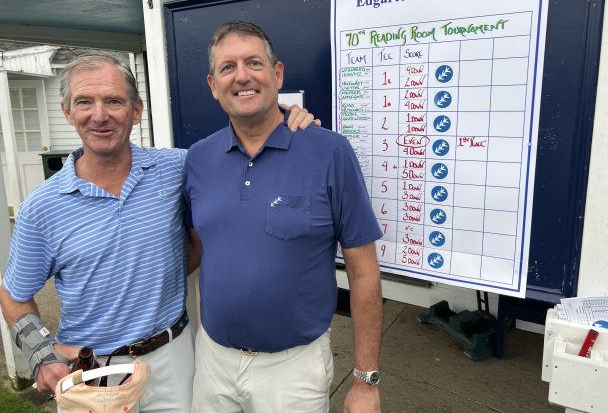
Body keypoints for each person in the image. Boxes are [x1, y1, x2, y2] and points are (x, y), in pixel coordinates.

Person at [0, 51, 316, 412]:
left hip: (173, 357)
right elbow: (13, 294)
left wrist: (284, 119)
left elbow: (247, 152)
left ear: (136, 110)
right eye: (85, 102)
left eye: (114, 101)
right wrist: (42, 354)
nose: (99, 115)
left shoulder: (179, 167)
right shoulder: (42, 206)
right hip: (91, 370)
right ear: (67, 112)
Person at [184, 21, 383, 413]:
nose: (242, 76)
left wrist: (365, 380)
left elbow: (364, 272)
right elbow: (198, 247)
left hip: (293, 371)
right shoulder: (197, 159)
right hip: (212, 362)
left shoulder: (329, 152)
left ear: (277, 74)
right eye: (228, 67)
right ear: (213, 85)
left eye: (254, 62)